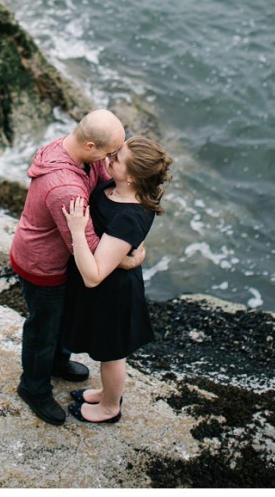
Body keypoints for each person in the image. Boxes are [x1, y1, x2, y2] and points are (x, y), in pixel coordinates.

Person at [10, 109, 146, 426]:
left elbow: (100, 185)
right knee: (43, 330)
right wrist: (128, 257)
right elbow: (91, 251)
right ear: (90, 146)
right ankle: (33, 387)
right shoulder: (65, 189)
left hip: (62, 261)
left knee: (61, 321)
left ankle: (57, 363)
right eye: (109, 153)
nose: (111, 161)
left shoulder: (78, 152)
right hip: (43, 266)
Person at [61, 135, 172, 424]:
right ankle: (106, 393)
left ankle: (110, 407)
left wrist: (76, 229)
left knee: (111, 354)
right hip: (112, 281)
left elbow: (94, 275)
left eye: (116, 158)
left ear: (133, 177)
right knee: (107, 350)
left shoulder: (129, 216)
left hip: (112, 293)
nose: (108, 158)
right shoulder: (118, 186)